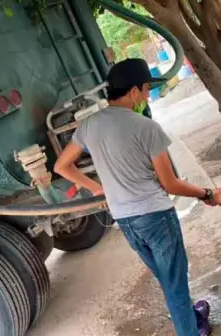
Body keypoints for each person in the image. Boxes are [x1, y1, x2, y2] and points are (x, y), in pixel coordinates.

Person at [54, 58, 220, 336]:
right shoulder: (146, 127)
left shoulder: (89, 125)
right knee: (175, 283)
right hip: (156, 219)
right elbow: (170, 184)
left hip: (125, 221)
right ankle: (190, 330)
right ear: (133, 91)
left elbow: (61, 166)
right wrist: (208, 194)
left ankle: (192, 317)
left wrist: (94, 187)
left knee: (169, 279)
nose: (146, 96)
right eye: (145, 90)